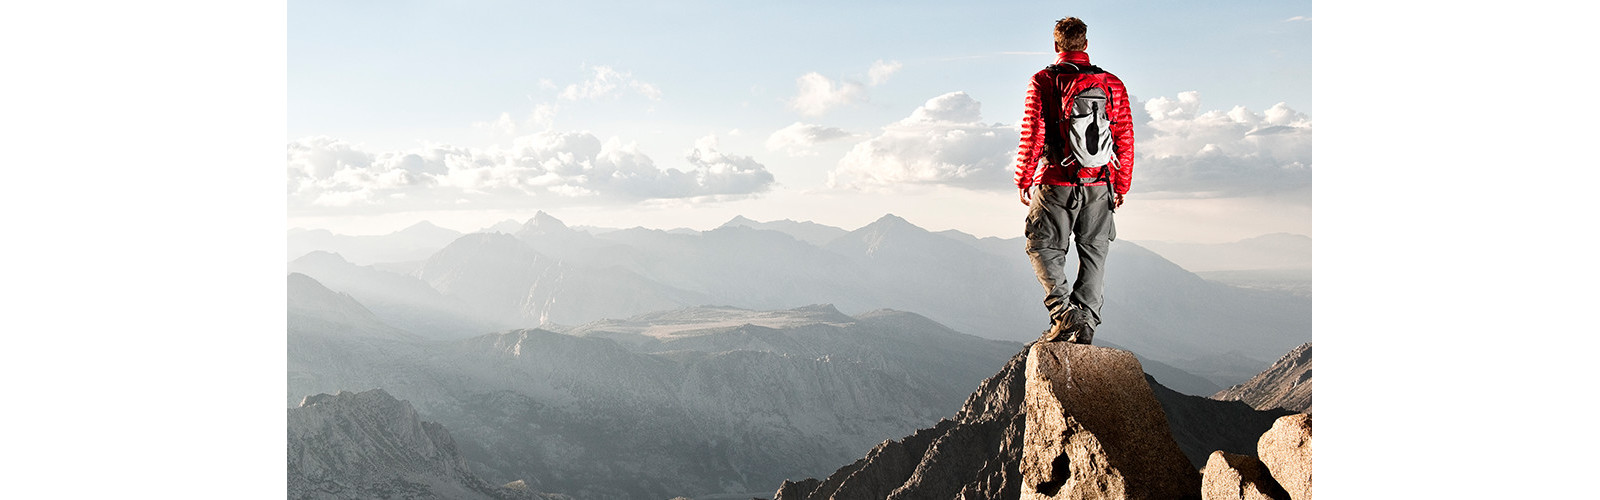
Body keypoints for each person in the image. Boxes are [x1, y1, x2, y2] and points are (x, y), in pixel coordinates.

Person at [1013, 17, 1134, 345]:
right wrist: (1120, 185)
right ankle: (1087, 324)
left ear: (1056, 46)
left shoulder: (1043, 81)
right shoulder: (1112, 84)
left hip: (1056, 182)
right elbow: (1124, 136)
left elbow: (1033, 134)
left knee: (1042, 246)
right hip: (1099, 185)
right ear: (1086, 44)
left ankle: (1065, 315)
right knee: (1094, 253)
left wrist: (1023, 177)